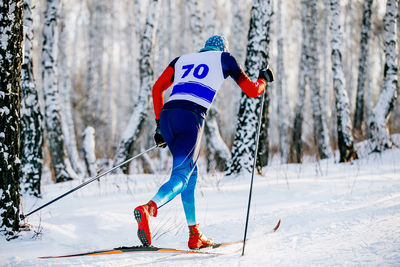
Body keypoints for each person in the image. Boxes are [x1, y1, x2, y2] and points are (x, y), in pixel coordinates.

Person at [134, 35, 274, 249]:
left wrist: (160, 125)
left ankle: (194, 234)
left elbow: (157, 89)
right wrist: (263, 80)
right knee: (181, 175)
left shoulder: (181, 60)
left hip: (168, 115)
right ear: (222, 48)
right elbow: (253, 91)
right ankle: (149, 209)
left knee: (192, 174)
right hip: (190, 116)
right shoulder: (225, 58)